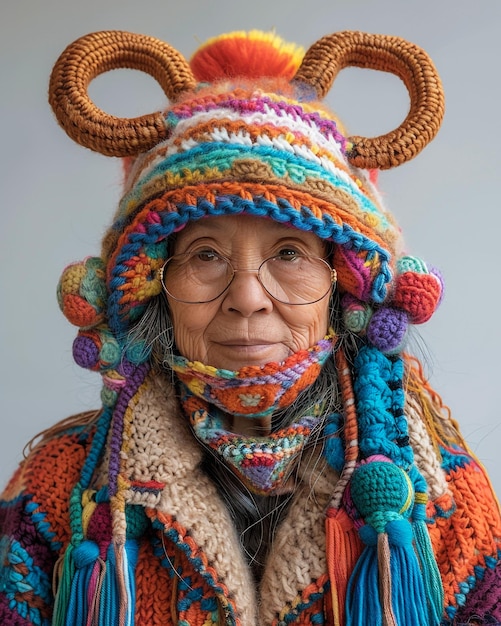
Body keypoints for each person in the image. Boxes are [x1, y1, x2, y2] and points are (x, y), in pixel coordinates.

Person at [0, 27, 500, 626]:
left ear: (344, 286)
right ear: (154, 286)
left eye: (290, 253)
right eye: (205, 255)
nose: (246, 299)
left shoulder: (440, 500)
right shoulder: (61, 495)